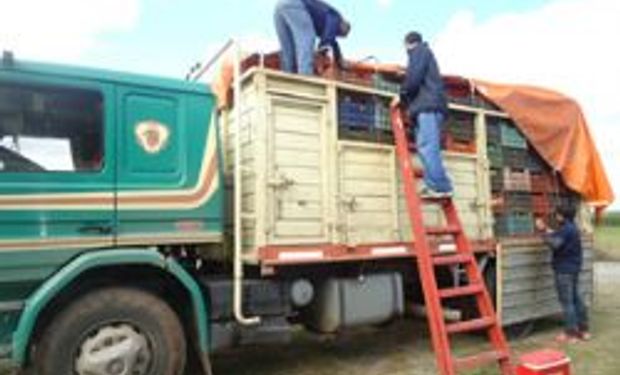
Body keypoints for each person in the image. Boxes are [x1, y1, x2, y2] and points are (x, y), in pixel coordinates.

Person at [392, 31, 453, 198]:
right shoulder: (426, 53)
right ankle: (433, 184)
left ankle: (441, 185)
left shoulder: (418, 51)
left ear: (407, 44)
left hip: (428, 106)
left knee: (427, 146)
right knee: (425, 146)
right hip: (429, 106)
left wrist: (402, 95)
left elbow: (414, 78)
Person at [536, 206, 591, 343]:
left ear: (561, 216)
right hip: (574, 268)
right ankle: (583, 331)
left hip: (564, 270)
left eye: (557, 215)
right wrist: (549, 231)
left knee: (567, 302)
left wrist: (542, 231)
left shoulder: (566, 230)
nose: (555, 217)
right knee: (576, 299)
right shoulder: (571, 228)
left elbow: (554, 244)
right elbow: (559, 236)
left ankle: (570, 334)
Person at [274, 0, 350, 75]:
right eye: (342, 34)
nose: (338, 35)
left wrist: (339, 60)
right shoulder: (336, 17)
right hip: (297, 6)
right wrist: (322, 51)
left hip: (280, 7)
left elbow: (333, 42)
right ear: (344, 25)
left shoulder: (327, 24)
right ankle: (305, 75)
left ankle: (287, 74)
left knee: (288, 47)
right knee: (308, 38)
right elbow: (327, 40)